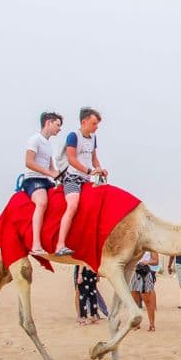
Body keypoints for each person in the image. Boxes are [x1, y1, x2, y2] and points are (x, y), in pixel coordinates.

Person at [55, 108, 107, 256]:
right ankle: (60, 245)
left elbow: (93, 157)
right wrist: (90, 171)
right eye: (94, 123)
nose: (96, 127)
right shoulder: (74, 136)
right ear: (84, 122)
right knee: (72, 205)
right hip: (72, 177)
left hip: (86, 178)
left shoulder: (93, 138)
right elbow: (71, 159)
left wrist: (100, 169)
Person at [22, 111, 63, 255]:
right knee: (42, 202)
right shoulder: (35, 140)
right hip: (33, 179)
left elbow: (52, 168)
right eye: (57, 125)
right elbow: (29, 162)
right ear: (48, 122)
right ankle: (35, 244)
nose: (59, 129)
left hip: (46, 180)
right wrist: (49, 173)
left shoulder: (48, 145)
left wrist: (60, 175)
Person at [130, 251, 158, 331]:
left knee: (148, 301)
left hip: (145, 273)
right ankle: (136, 323)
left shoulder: (150, 246)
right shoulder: (133, 245)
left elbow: (156, 261)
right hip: (133, 273)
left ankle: (152, 324)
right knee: (135, 302)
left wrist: (147, 262)